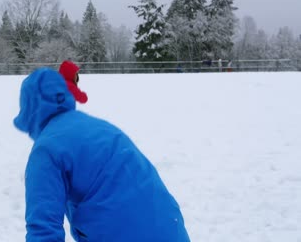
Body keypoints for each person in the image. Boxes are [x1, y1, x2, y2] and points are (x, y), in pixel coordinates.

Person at [13, 68, 190, 242]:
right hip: (172, 229)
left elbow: (43, 229)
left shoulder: (46, 150)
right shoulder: (101, 128)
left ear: (29, 111)